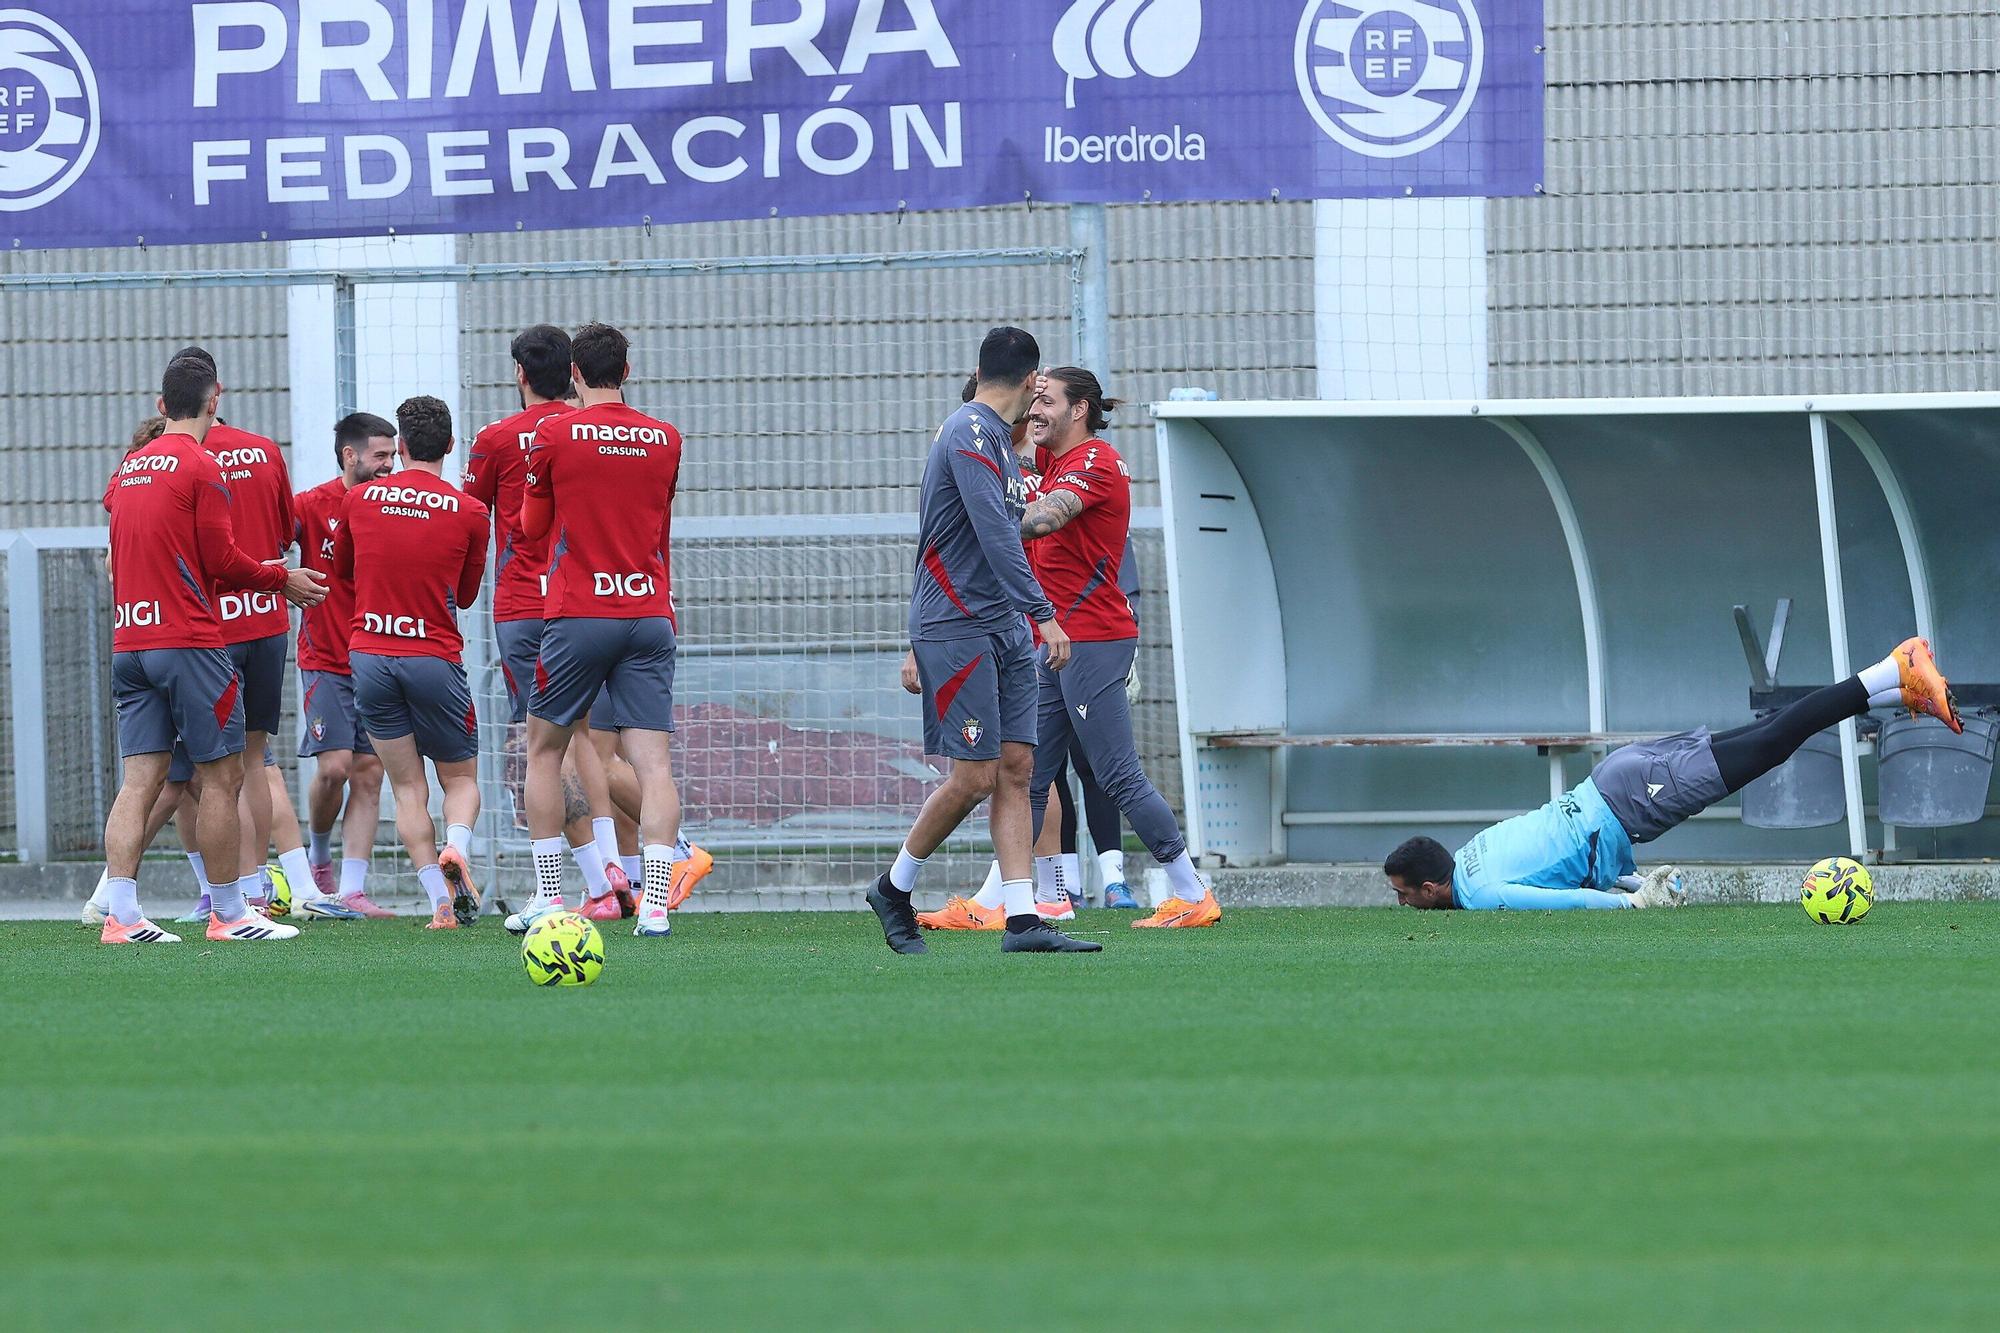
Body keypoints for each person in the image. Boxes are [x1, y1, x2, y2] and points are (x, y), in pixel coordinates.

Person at [1383, 638, 1963, 910]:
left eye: (1405, 896)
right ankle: (1898, 685)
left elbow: (1555, 902)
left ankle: (1893, 666)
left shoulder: (1478, 894)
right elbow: (1563, 859)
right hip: (1617, 779)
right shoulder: (1473, 853)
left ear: (1432, 888)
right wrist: (1635, 882)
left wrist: (1626, 907)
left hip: (1633, 798)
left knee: (1775, 741)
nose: (1403, 905)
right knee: (1770, 736)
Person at [866, 327, 1098, 955]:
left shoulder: (1000, 442)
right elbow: (997, 536)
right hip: (958, 626)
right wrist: (1045, 614)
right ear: (1029, 383)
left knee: (1019, 770)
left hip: (1002, 628)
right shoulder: (968, 431)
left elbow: (1003, 527)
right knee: (974, 776)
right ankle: (893, 888)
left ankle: (1022, 921)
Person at [97, 353, 325, 943]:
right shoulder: (201, 466)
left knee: (140, 779)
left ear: (160, 404)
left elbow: (117, 554)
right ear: (214, 399)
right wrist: (284, 578)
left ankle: (119, 914)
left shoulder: (129, 469)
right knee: (222, 776)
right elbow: (222, 561)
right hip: (190, 642)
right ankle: (229, 913)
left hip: (129, 640)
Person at [1013, 367, 1219, 928]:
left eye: (1045, 401)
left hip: (1092, 640)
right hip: (1055, 640)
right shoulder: (1052, 461)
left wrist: (987, 511)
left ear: (1078, 409)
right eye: (1030, 400)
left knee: (1117, 774)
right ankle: (1001, 900)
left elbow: (1039, 520)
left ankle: (1192, 893)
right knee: (1028, 774)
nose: (1034, 411)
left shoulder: (1094, 462)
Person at [516, 322, 691, 938]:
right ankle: (657, 904)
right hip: (648, 614)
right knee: (655, 767)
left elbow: (532, 529)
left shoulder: (553, 433)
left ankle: (548, 897)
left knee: (544, 749)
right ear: (628, 369)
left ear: (574, 373)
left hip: (579, 614)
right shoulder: (666, 438)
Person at [463, 324, 641, 922]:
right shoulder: (592, 431)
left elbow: (471, 516)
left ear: (519, 373)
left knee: (544, 745)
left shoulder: (497, 439)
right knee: (591, 741)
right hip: (592, 601)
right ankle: (642, 859)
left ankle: (575, 885)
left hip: (524, 607)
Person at [335, 396, 490, 930]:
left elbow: (347, 571)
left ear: (399, 447)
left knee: (406, 788)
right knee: (462, 778)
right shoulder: (471, 511)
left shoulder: (361, 501)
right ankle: (458, 846)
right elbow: (466, 596)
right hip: (433, 657)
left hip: (372, 655)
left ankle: (439, 904)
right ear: (450, 445)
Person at [294, 412, 397, 915]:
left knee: (371, 772)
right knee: (334, 768)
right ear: (350, 455)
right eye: (380, 456)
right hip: (326, 657)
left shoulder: (397, 505)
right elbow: (261, 543)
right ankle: (317, 858)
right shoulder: (311, 505)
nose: (389, 466)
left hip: (377, 659)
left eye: (393, 456)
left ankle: (353, 889)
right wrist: (282, 580)